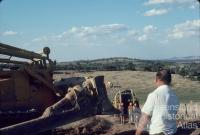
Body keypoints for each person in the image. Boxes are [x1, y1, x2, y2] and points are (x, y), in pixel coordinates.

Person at [136, 69, 180, 135]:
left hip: (158, 132)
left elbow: (144, 117)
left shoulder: (154, 95)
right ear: (169, 81)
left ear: (157, 79)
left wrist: (137, 133)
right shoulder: (175, 97)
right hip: (173, 132)